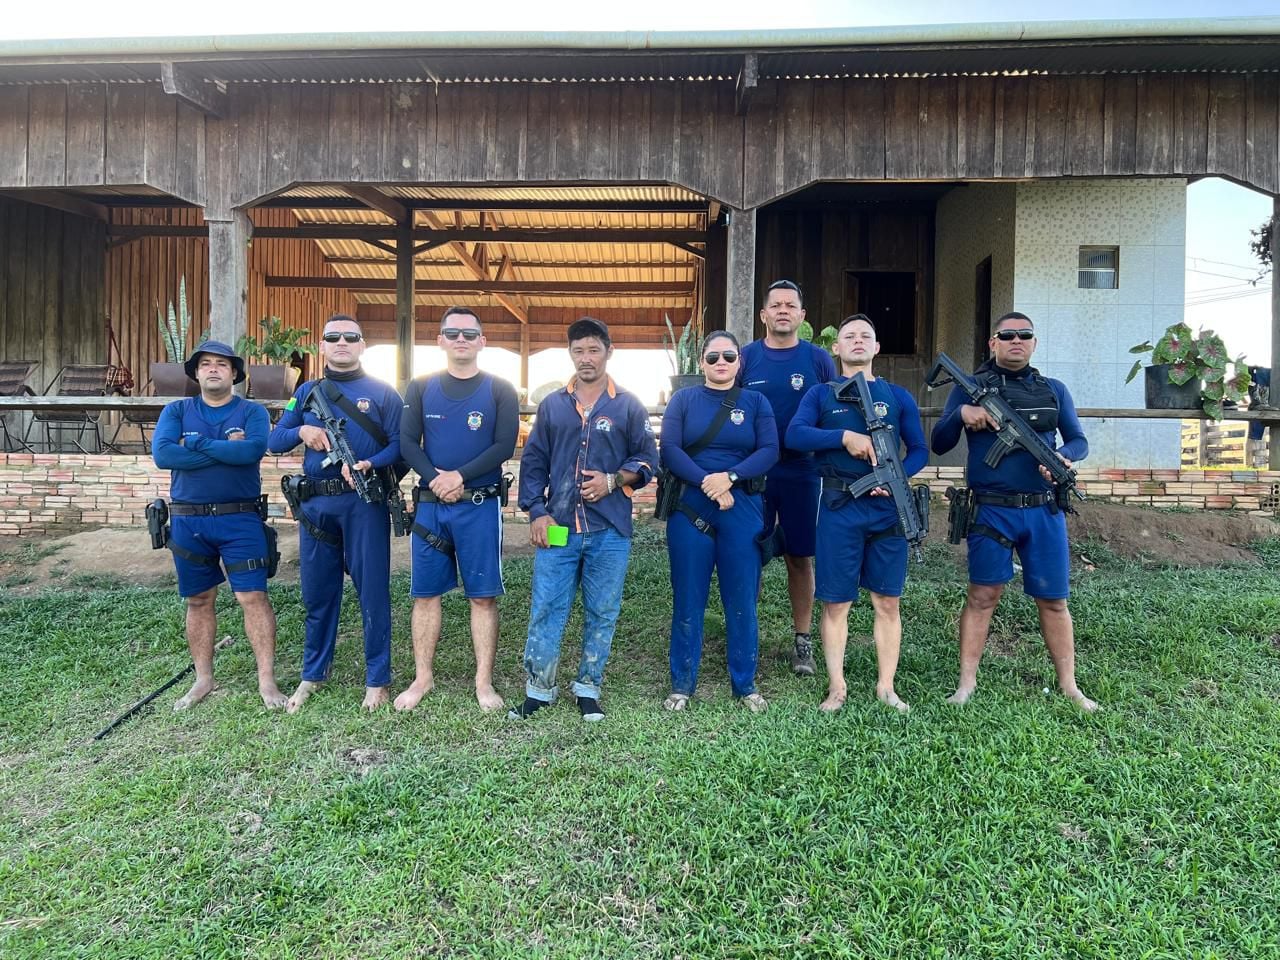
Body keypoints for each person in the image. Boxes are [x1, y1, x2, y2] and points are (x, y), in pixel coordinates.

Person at [931, 311, 1097, 711]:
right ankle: (966, 684)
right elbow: (938, 441)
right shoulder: (971, 389)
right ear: (993, 343)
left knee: (1054, 600)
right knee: (982, 596)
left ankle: (1070, 686)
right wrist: (961, 414)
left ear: (1034, 344)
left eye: (1024, 335)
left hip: (1044, 511)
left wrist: (1063, 456)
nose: (1016, 341)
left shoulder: (1054, 390)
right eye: (1007, 335)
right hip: (991, 512)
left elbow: (1079, 440)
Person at [512, 317, 658, 721]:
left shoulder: (627, 405)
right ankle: (538, 690)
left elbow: (648, 459)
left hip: (609, 529)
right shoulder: (554, 405)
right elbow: (535, 462)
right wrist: (536, 512)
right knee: (546, 606)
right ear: (570, 354)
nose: (586, 358)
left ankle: (588, 688)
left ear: (608, 352)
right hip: (558, 526)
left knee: (602, 610)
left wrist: (613, 480)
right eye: (578, 350)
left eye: (593, 350)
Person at [787, 314, 927, 713]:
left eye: (866, 335)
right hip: (838, 507)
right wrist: (843, 437)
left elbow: (918, 449)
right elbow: (795, 435)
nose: (858, 341)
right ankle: (836, 687)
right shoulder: (820, 395)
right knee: (836, 603)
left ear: (877, 348)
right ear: (837, 348)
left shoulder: (898, 396)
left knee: (887, 602)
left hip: (887, 510)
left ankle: (886, 687)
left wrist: (894, 475)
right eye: (850, 336)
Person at [267, 314, 403, 713]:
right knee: (318, 593)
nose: (342, 343)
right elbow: (275, 439)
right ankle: (314, 673)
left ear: (362, 346)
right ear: (322, 346)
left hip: (364, 504)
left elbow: (401, 445)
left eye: (351, 337)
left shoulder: (383, 393)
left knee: (373, 592)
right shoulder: (307, 392)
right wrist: (301, 433)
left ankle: (378, 680)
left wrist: (371, 464)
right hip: (316, 508)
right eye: (333, 337)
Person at [395, 307, 519, 714]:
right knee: (425, 595)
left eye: (470, 333)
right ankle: (422, 677)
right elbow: (408, 443)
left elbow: (503, 445)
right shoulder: (421, 387)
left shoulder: (500, 389)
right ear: (441, 341)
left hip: (480, 506)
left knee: (482, 597)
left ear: (482, 341)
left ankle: (483, 681)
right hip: (431, 508)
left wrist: (459, 477)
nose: (461, 339)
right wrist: (436, 479)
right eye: (453, 333)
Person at [151, 340, 286, 711]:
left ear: (234, 373)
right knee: (198, 599)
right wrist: (223, 449)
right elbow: (163, 454)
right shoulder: (177, 410)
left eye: (221, 365)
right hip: (188, 521)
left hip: (240, 519)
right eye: (206, 364)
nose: (213, 369)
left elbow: (251, 452)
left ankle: (267, 681)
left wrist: (193, 444)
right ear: (196, 373)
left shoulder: (252, 412)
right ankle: (203, 679)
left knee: (253, 597)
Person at [661, 331, 779, 713]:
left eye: (729, 356)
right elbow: (670, 450)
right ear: (701, 362)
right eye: (713, 357)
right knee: (688, 598)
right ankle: (682, 684)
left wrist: (728, 478)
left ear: (739, 361)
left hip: (741, 507)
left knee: (741, 598)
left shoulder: (756, 402)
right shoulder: (684, 400)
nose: (721, 363)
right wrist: (707, 483)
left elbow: (769, 450)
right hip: (690, 508)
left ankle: (744, 684)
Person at [737, 279, 837, 676]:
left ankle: (802, 641)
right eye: (775, 305)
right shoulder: (745, 358)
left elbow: (832, 412)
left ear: (801, 315)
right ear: (763, 314)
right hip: (753, 474)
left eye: (789, 305)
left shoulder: (818, 360)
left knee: (800, 557)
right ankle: (747, 637)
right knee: (749, 555)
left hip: (803, 471)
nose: (782, 310)